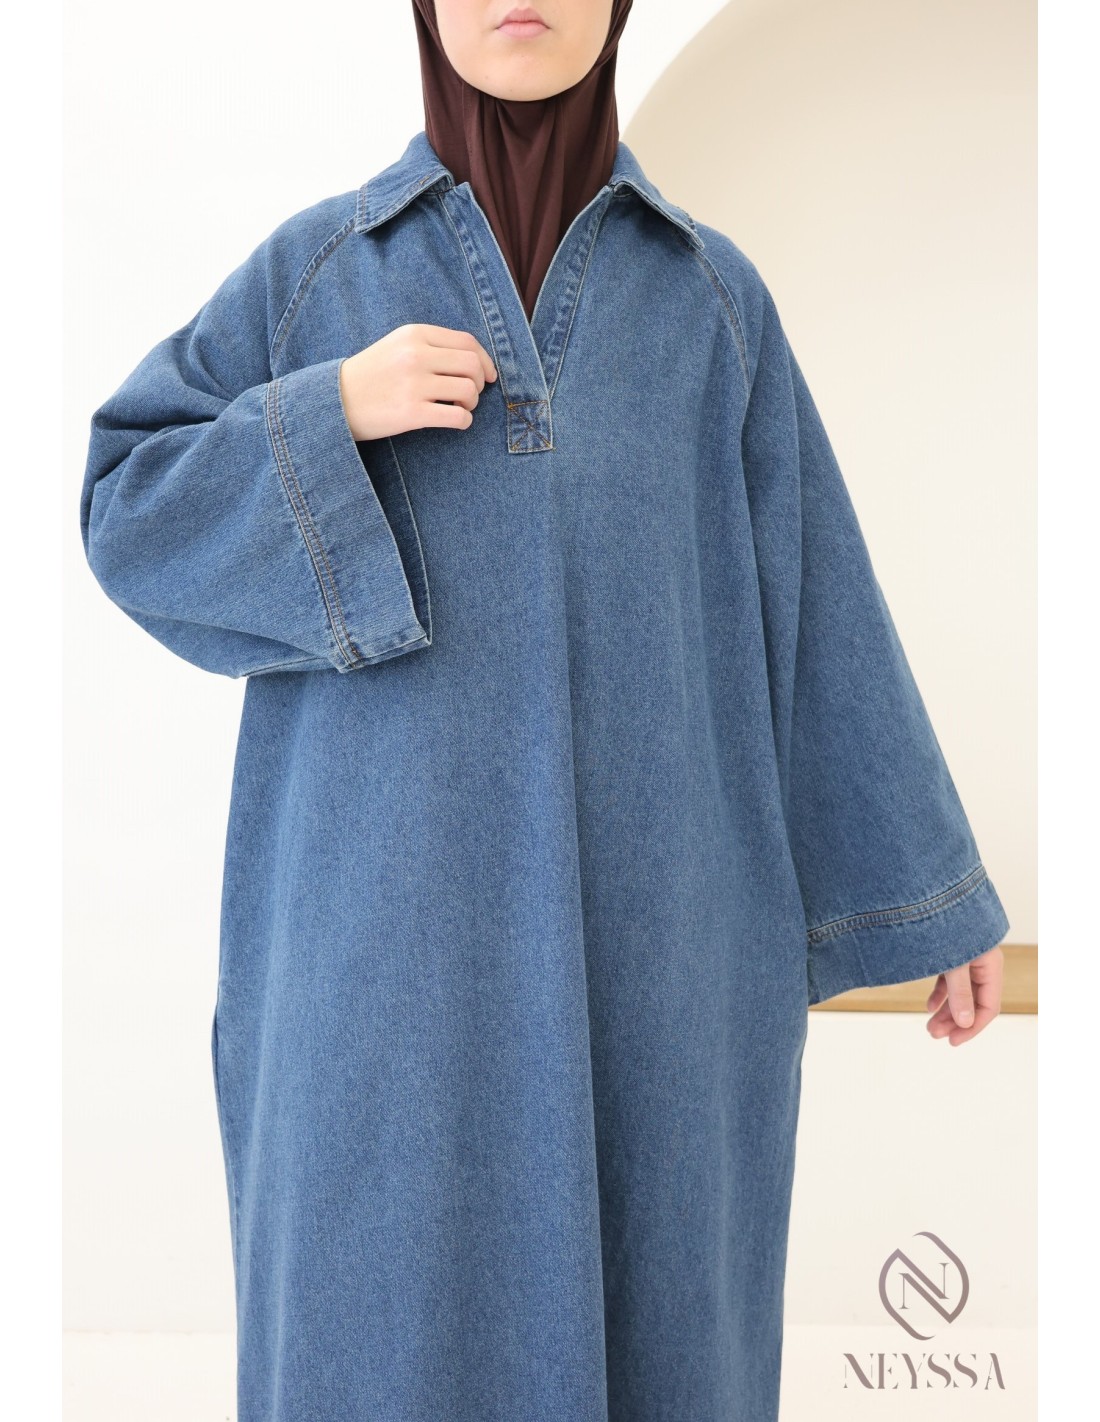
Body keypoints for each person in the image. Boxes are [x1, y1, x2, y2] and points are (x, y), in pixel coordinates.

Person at [78, 2, 1010, 1418]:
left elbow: (816, 603)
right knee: (372, 1337)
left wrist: (930, 899)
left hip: (665, 969)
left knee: (668, 1325)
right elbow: (126, 504)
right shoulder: (314, 277)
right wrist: (330, 410)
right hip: (374, 979)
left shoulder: (711, 304)